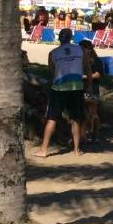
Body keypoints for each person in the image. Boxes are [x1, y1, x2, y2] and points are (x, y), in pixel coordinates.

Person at [34, 29, 88, 157]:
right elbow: (87, 68)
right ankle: (76, 150)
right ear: (71, 37)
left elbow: (52, 73)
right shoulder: (80, 50)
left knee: (52, 118)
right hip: (76, 87)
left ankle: (43, 149)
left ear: (59, 38)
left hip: (59, 89)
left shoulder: (53, 53)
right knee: (75, 119)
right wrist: (89, 86)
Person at [79, 39, 103, 142]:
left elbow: (98, 75)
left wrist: (84, 77)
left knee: (93, 113)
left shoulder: (96, 60)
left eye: (82, 49)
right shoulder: (80, 60)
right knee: (83, 114)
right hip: (81, 89)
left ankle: (95, 135)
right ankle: (83, 135)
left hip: (92, 89)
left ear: (88, 49)